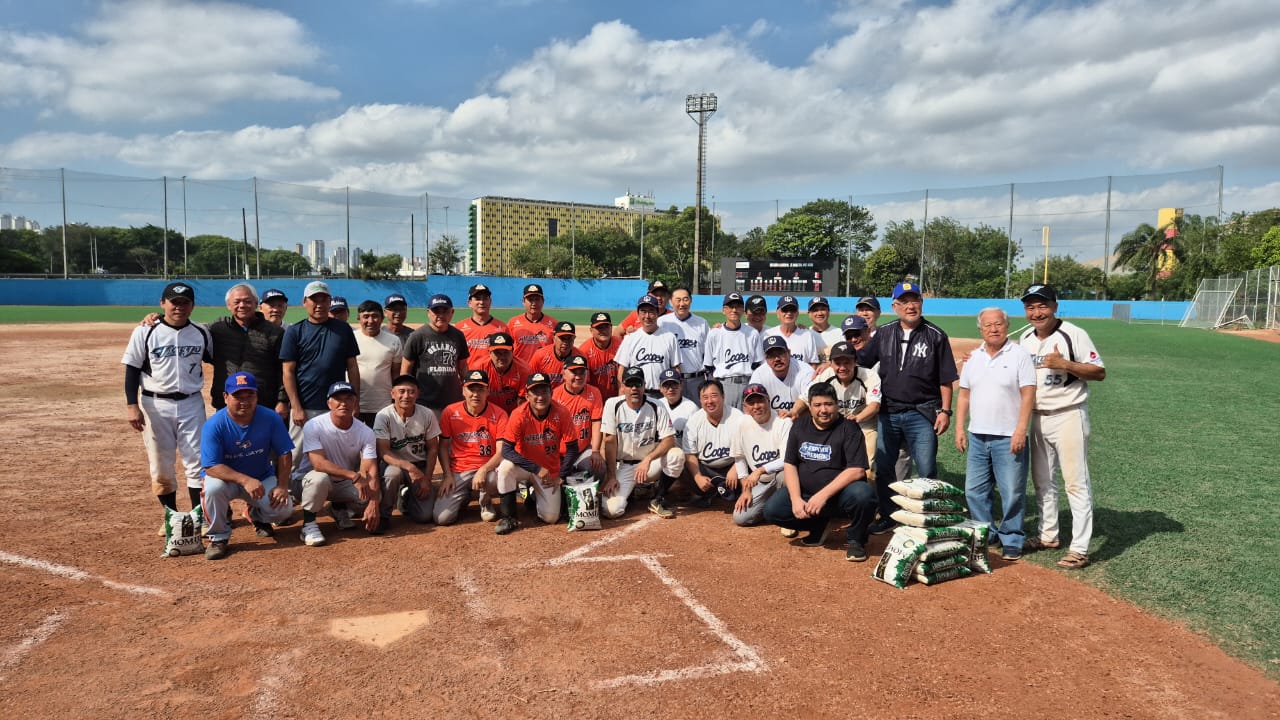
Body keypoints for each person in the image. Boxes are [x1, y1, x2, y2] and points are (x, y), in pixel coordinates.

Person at [858, 282, 958, 535]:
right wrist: (831, 364)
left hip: (922, 412)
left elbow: (946, 378)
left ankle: (926, 518)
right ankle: (889, 515)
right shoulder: (885, 333)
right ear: (895, 306)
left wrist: (945, 411)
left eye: (915, 300)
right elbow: (862, 361)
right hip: (888, 411)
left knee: (926, 468)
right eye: (904, 301)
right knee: (884, 467)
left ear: (921, 304)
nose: (910, 306)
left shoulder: (936, 335)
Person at [1018, 283, 1106, 570]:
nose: (1037, 312)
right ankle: (1048, 535)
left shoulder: (1074, 334)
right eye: (1030, 306)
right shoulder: (1025, 339)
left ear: (1055, 306)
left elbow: (1099, 372)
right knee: (1042, 480)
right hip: (1038, 416)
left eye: (1042, 305)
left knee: (1076, 483)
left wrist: (1064, 363)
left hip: (1069, 414)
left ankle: (1079, 548)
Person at [123, 281, 212, 520]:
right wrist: (132, 405)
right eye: (174, 302)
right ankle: (171, 517)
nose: (179, 307)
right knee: (161, 463)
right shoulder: (145, 330)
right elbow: (131, 370)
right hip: (155, 404)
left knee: (198, 461)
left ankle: (197, 517)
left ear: (192, 306)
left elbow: (217, 359)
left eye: (185, 303)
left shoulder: (201, 332)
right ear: (163, 304)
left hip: (192, 403)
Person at [763, 382, 878, 562]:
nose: (823, 410)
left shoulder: (849, 428)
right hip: (807, 493)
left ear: (837, 404)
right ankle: (818, 525)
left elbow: (856, 470)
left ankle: (856, 539)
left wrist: (822, 495)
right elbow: (790, 464)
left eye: (828, 404)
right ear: (809, 407)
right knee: (772, 510)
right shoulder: (799, 426)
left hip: (840, 496)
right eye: (817, 405)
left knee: (864, 495)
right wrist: (795, 499)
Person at [955, 308, 1036, 562]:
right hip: (978, 435)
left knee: (1012, 490)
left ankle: (1011, 537)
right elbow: (965, 394)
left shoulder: (1019, 355)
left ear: (1007, 325)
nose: (994, 329)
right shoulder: (974, 357)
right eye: (988, 325)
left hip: (1007, 435)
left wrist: (1021, 429)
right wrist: (959, 427)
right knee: (974, 491)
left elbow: (1028, 394)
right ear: (980, 329)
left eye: (998, 324)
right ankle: (985, 532)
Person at [200, 372, 296, 560]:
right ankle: (218, 537)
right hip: (226, 480)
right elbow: (211, 466)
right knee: (213, 489)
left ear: (257, 396)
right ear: (226, 397)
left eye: (249, 395)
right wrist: (244, 480)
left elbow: (285, 452)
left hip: (260, 477)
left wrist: (283, 486)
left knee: (284, 510)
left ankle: (256, 513)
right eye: (238, 396)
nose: (244, 401)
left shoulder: (270, 418)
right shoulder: (214, 424)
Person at [280, 280, 361, 473]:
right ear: (304, 302)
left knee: (335, 452)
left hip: (337, 404)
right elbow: (288, 371)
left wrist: (355, 400)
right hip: (306, 405)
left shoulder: (343, 329)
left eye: (323, 300)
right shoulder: (295, 331)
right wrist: (296, 406)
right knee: (297, 453)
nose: (319, 304)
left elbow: (352, 366)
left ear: (329, 302)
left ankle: (336, 492)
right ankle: (292, 491)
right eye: (313, 300)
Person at [294, 381, 382, 546]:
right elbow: (318, 464)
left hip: (341, 483)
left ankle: (337, 508)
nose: (343, 403)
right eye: (338, 399)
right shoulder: (313, 425)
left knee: (372, 494)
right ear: (329, 403)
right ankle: (308, 524)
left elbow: (371, 468)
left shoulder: (365, 431)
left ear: (355, 402)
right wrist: (354, 476)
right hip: (306, 481)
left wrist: (374, 502)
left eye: (348, 398)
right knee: (319, 479)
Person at [495, 372, 583, 532]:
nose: (540, 397)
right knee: (504, 468)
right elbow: (506, 450)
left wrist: (561, 476)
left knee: (551, 518)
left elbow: (572, 448)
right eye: (535, 392)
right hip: (524, 467)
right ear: (527, 396)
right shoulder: (519, 415)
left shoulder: (561, 412)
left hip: (548, 470)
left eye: (544, 391)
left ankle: (532, 494)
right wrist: (536, 468)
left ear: (551, 392)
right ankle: (509, 518)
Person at [601, 367, 684, 519]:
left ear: (644, 385)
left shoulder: (656, 405)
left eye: (638, 383)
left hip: (650, 465)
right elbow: (609, 441)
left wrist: (648, 459)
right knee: (611, 511)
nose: (634, 388)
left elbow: (669, 440)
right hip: (624, 466)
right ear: (623, 386)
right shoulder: (612, 405)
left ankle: (657, 498)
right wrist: (611, 476)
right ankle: (631, 492)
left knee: (676, 455)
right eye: (630, 384)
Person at [437, 369, 508, 525]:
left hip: (488, 469)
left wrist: (483, 469)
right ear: (463, 390)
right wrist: (447, 475)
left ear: (487, 391)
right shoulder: (450, 412)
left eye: (480, 389)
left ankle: (486, 501)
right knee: (441, 518)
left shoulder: (500, 414)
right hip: (459, 470)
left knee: (493, 479)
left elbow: (502, 451)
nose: (475, 394)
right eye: (471, 389)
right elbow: (442, 447)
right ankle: (464, 496)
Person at [208, 283, 287, 420]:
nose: (242, 305)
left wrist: (282, 401)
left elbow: (284, 369)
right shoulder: (217, 328)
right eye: (237, 302)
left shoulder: (274, 332)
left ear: (256, 304)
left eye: (247, 301)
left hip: (263, 403)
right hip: (226, 403)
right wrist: (158, 321)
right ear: (228, 305)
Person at [805, 341, 882, 477]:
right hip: (835, 426)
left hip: (864, 425)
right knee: (832, 466)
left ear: (855, 362)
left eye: (847, 362)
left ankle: (868, 496)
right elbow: (805, 398)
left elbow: (874, 406)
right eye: (838, 363)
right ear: (831, 363)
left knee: (867, 470)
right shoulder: (825, 375)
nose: (842, 367)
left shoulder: (869, 375)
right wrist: (793, 412)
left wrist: (857, 418)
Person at [374, 374, 442, 525]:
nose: (406, 396)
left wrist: (427, 479)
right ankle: (384, 515)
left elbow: (432, 448)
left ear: (418, 394)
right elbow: (383, 452)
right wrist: (408, 466)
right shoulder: (383, 416)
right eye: (402, 391)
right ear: (393, 393)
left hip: (420, 465)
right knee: (392, 474)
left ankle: (405, 497)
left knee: (424, 516)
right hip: (394, 464)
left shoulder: (427, 414)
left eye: (411, 391)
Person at [727, 383, 793, 528]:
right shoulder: (741, 423)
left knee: (784, 475)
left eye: (760, 401)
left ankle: (788, 517)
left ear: (768, 401)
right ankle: (772, 508)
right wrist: (746, 489)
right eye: (751, 402)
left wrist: (759, 470)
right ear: (745, 407)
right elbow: (739, 458)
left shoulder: (783, 422)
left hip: (780, 477)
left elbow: (786, 460)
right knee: (741, 518)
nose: (756, 406)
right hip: (761, 482)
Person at [401, 293, 469, 413]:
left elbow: (463, 367)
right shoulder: (418, 336)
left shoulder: (458, 335)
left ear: (452, 312)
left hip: (453, 401)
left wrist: (467, 390)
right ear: (428, 312)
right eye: (436, 311)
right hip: (425, 402)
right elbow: (405, 370)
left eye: (445, 311)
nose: (440, 315)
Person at [681, 379, 743, 507]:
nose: (709, 401)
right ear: (700, 400)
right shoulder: (694, 421)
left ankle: (736, 492)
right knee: (680, 461)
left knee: (747, 467)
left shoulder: (737, 417)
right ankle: (705, 493)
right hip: (706, 469)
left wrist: (736, 468)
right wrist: (697, 476)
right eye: (705, 397)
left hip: (731, 466)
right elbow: (689, 454)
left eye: (714, 396)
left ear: (723, 397)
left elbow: (747, 448)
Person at [703, 292, 762, 409]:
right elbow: (709, 367)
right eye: (731, 306)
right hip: (723, 384)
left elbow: (757, 364)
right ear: (723, 310)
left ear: (743, 310)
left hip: (747, 383)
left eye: (738, 306)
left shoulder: (752, 333)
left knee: (747, 422)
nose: (734, 310)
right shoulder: (714, 333)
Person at [615, 293, 681, 394]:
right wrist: (622, 390)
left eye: (651, 311)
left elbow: (676, 368)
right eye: (643, 311)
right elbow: (622, 368)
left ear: (657, 313)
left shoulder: (669, 337)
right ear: (638, 314)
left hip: (662, 394)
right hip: (637, 393)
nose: (647, 316)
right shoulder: (630, 338)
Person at [552, 354, 605, 477]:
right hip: (558, 454)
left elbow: (596, 423)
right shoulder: (554, 396)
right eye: (574, 372)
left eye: (582, 372)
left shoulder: (594, 393)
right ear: (564, 374)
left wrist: (596, 451)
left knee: (599, 468)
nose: (578, 376)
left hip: (582, 450)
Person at [354, 300, 403, 427]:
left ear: (381, 318)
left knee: (381, 444)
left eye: (375, 316)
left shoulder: (393, 341)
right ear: (358, 318)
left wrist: (395, 401)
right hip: (354, 405)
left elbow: (396, 374)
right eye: (366, 316)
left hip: (383, 406)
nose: (370, 321)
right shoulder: (350, 339)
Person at [657, 287, 710, 402]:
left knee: (697, 414)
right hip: (672, 381)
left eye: (685, 299)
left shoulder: (701, 323)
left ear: (691, 301)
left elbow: (709, 353)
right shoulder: (662, 322)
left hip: (696, 379)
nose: (682, 304)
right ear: (671, 302)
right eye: (678, 300)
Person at [747, 335, 815, 419]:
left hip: (800, 419)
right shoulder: (759, 374)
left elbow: (809, 396)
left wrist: (794, 412)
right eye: (771, 355)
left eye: (780, 353)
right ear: (766, 359)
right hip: (771, 421)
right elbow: (751, 402)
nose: (777, 359)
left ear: (789, 352)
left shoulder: (805, 370)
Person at [469, 331, 528, 414]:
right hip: (486, 413)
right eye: (497, 353)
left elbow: (523, 402)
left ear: (513, 351)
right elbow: (473, 398)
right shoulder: (478, 368)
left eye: (505, 352)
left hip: (513, 413)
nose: (502, 357)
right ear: (489, 352)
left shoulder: (524, 370)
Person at [455, 283, 507, 367]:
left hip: (492, 378)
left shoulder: (502, 328)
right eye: (478, 299)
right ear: (470, 303)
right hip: (469, 377)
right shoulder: (459, 328)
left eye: (485, 299)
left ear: (490, 302)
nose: (482, 302)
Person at [763, 295, 820, 368]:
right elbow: (763, 363)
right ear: (777, 313)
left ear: (797, 313)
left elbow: (813, 363)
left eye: (792, 309)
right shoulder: (768, 334)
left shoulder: (807, 334)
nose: (789, 313)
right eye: (785, 310)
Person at [507, 283, 557, 364]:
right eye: (530, 299)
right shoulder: (513, 323)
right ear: (523, 302)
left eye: (537, 299)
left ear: (543, 301)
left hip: (544, 369)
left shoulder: (553, 323)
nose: (534, 303)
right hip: (520, 369)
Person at [577, 311, 621, 399]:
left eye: (606, 327)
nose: (603, 331)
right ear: (591, 330)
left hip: (618, 397)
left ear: (611, 327)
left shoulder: (621, 345)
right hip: (595, 399)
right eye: (599, 328)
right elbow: (584, 383)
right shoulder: (584, 351)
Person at [657, 368, 699, 457]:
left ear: (681, 385)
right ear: (660, 388)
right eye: (666, 386)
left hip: (684, 456)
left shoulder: (691, 407)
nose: (671, 389)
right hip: (660, 455)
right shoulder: (657, 405)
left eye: (674, 385)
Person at [530, 321, 578, 388]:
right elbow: (530, 380)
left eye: (569, 338)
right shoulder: (540, 355)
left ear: (574, 339)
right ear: (554, 337)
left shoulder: (579, 357)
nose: (565, 342)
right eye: (562, 338)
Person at [807, 297, 843, 362]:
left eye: (823, 309)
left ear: (828, 312)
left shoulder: (840, 333)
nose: (820, 313)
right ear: (809, 314)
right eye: (815, 310)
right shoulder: (805, 334)